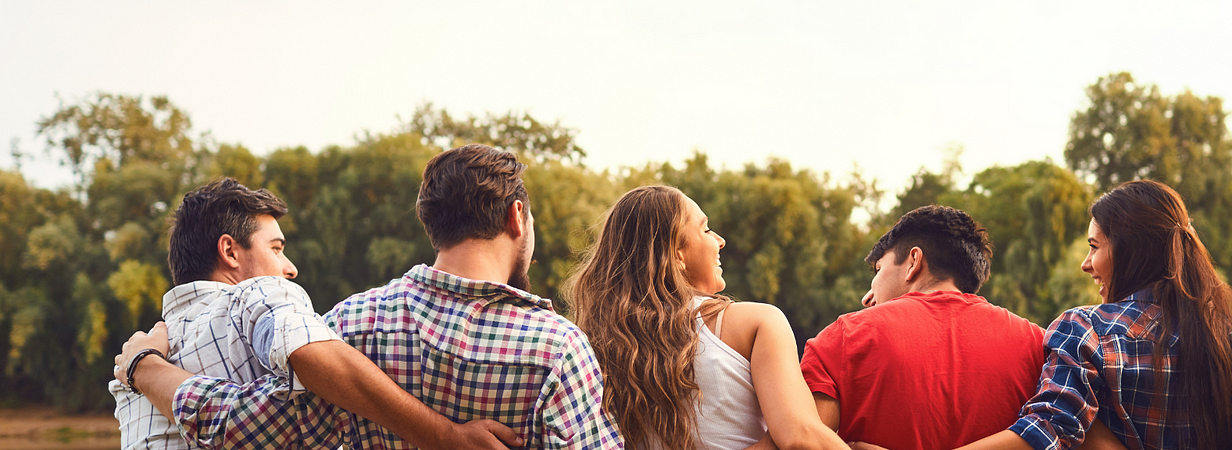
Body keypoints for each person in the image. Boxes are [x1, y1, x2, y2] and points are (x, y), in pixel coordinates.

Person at [113, 144, 622, 449]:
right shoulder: (558, 348)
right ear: (516, 218)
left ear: (432, 224)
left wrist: (148, 369)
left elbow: (244, 427)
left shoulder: (353, 324)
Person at [863, 180, 1232, 450]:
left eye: (1095, 246)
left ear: (1130, 249)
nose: (1085, 263)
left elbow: (1048, 431)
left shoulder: (1089, 331)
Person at [108, 177, 514, 450]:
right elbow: (310, 352)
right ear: (230, 252)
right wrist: (444, 436)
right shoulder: (256, 294)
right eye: (277, 248)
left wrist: (145, 368)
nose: (290, 268)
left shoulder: (130, 371)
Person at [561, 185, 847, 450]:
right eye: (707, 230)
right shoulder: (757, 323)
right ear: (677, 254)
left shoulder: (587, 346)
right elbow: (800, 436)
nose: (720, 241)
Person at [798, 204, 1049, 450]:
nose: (867, 297)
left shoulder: (845, 337)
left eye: (878, 270)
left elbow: (800, 439)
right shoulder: (1041, 344)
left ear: (913, 262)